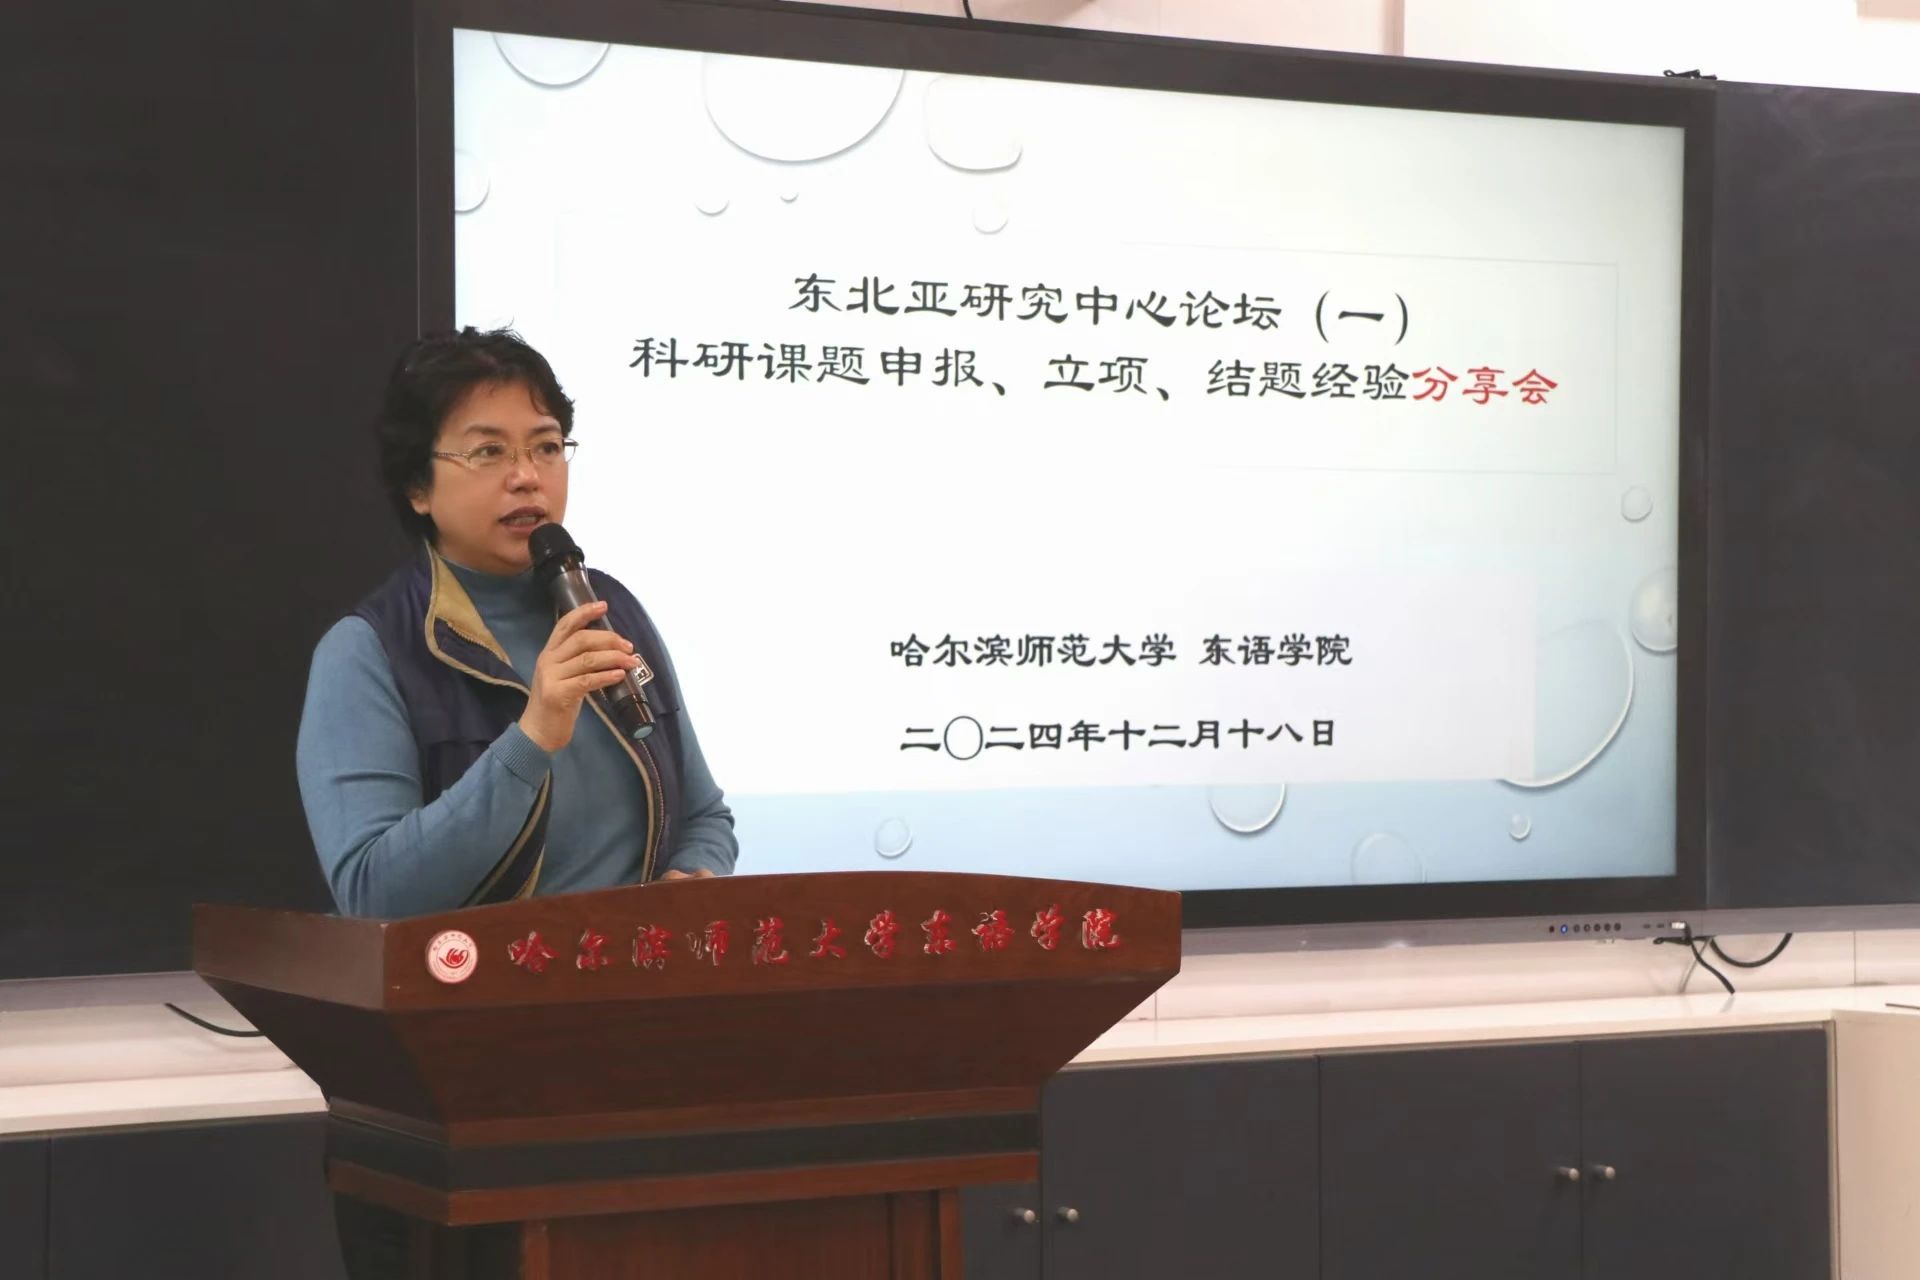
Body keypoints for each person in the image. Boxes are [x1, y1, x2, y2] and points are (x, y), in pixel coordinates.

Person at [296, 326, 738, 920]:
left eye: (547, 447)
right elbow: (372, 893)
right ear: (418, 487)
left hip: (635, 969)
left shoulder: (609, 608)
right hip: (480, 977)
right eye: (489, 452)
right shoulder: (367, 652)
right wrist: (532, 738)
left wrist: (696, 876)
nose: (528, 475)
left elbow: (705, 815)